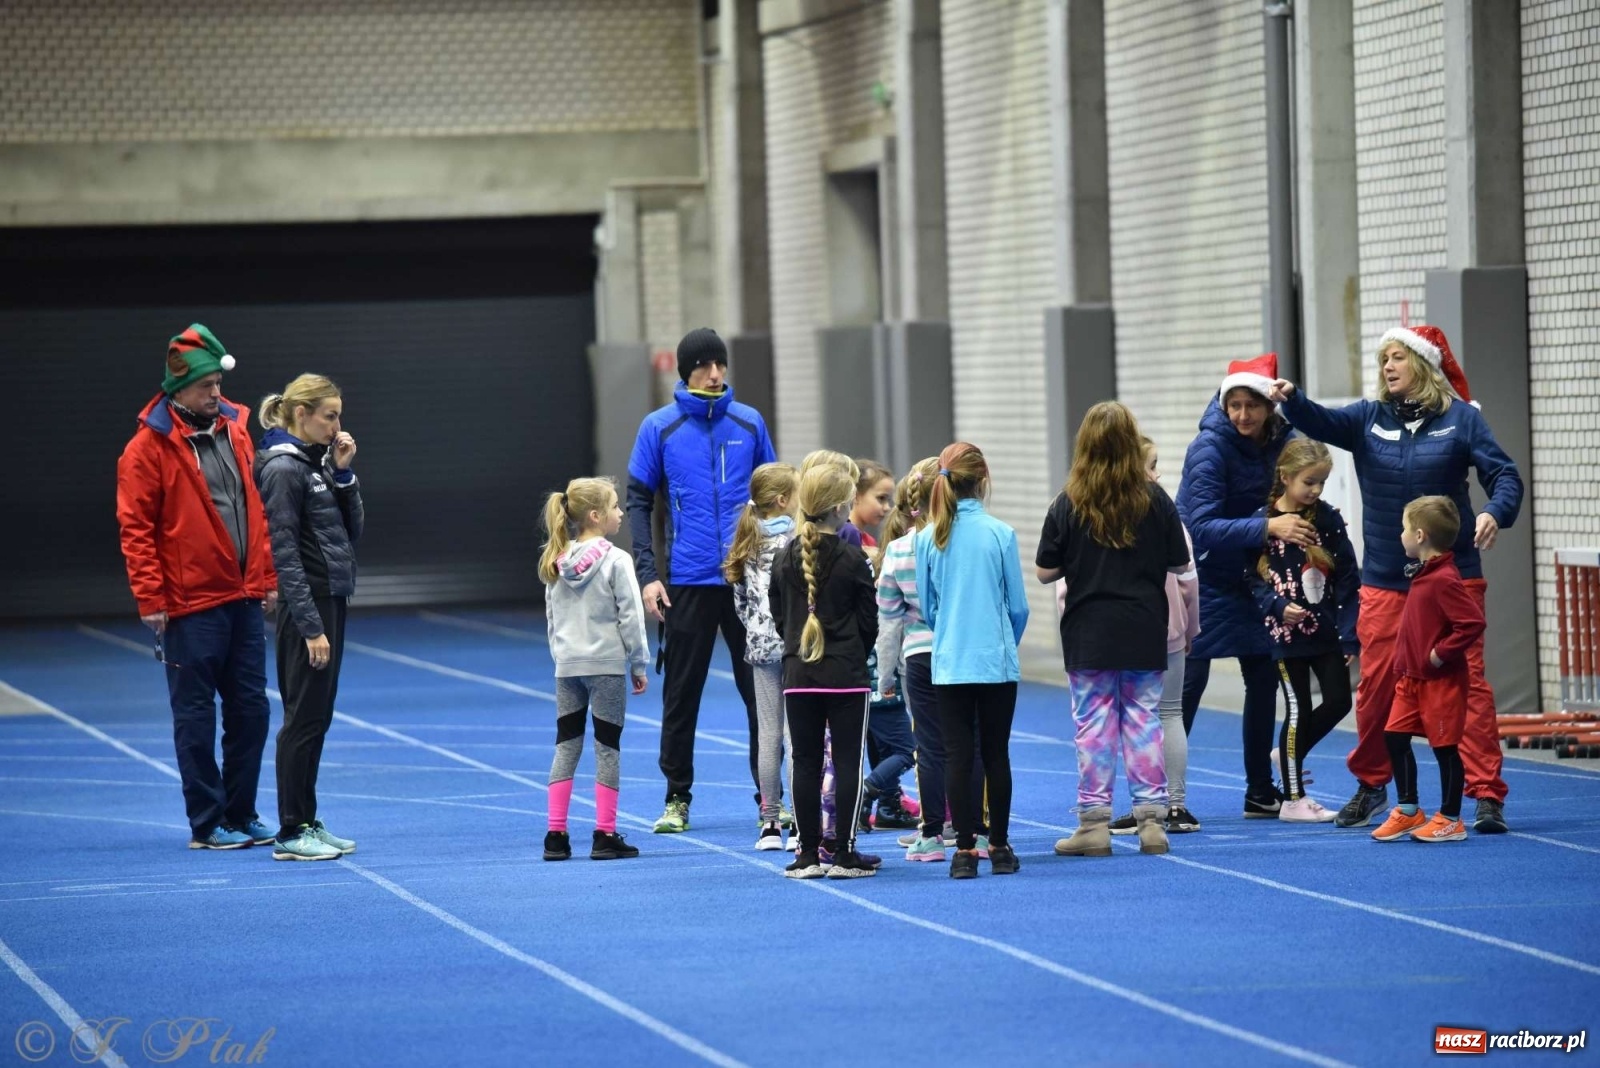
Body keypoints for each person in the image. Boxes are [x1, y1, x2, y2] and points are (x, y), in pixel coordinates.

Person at [1268, 324, 1523, 832]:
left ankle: (1486, 795)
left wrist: (1497, 511)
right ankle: (1372, 784)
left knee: (1467, 686)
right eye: (1383, 357)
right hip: (1386, 580)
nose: (1387, 366)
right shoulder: (1368, 419)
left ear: (1423, 365)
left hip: (1452, 581)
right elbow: (1320, 420)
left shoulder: (1462, 422)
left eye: (1398, 357)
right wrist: (1292, 399)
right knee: (1378, 687)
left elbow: (1505, 474)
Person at [116, 324, 277, 850]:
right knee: (195, 717)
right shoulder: (145, 450)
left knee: (252, 710)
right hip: (189, 606)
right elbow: (135, 529)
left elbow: (258, 510)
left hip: (244, 596)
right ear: (177, 389)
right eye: (207, 385)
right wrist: (151, 598)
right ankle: (208, 823)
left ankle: (242, 811)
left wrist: (268, 578)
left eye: (218, 384)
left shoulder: (237, 429)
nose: (216, 393)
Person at [627, 327, 777, 833]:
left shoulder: (749, 423)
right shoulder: (659, 428)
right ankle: (676, 798)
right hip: (687, 582)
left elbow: (776, 499)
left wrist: (774, 572)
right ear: (685, 370)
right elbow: (638, 501)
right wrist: (649, 575)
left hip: (745, 581)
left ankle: (769, 798)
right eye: (704, 366)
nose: (715, 374)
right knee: (682, 694)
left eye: (721, 364)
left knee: (761, 692)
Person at [1038, 404, 1191, 859]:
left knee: (1094, 726)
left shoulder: (1070, 501)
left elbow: (1047, 571)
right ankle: (1151, 823)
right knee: (1144, 722)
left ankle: (1094, 824)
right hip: (1143, 627)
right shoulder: (1155, 500)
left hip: (1089, 632)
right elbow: (1180, 563)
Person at [1176, 353, 1308, 818]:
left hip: (1257, 577)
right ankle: (1162, 796)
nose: (1243, 415)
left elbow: (1301, 489)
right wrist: (1268, 528)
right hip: (1204, 576)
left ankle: (1259, 788)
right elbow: (1202, 526)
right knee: (1188, 684)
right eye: (1234, 404)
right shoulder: (1209, 448)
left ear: (1269, 405)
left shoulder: (1285, 441)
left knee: (1263, 679)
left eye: (1252, 404)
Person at [255, 374, 363, 861]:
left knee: (318, 716)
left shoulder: (315, 464)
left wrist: (343, 475)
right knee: (301, 719)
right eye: (330, 415)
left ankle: (307, 819)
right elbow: (285, 553)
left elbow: (350, 531)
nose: (337, 425)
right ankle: (289, 829)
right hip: (310, 607)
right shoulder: (283, 468)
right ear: (302, 414)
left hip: (331, 597)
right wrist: (310, 625)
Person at [917, 442, 1029, 879]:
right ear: (983, 481)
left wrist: (950, 634)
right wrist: (1006, 642)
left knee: (957, 756)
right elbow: (1017, 607)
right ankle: (998, 846)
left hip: (949, 662)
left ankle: (963, 851)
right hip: (995, 663)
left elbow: (928, 607)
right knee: (996, 754)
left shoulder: (929, 537)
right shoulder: (1000, 534)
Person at [770, 464, 880, 879]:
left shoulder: (785, 555)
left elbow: (779, 614)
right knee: (849, 761)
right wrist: (853, 653)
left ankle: (808, 854)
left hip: (799, 673)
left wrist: (798, 647)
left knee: (804, 761)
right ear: (839, 508)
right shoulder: (855, 558)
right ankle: (845, 852)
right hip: (846, 673)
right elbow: (869, 620)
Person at [1245, 438, 1359, 823]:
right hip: (1286, 634)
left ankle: (1290, 751)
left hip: (1325, 631)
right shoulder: (1264, 522)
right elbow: (1252, 579)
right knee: (1297, 709)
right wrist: (1278, 607)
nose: (1315, 490)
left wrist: (1348, 632)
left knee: (1341, 701)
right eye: (1309, 482)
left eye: (1321, 483)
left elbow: (1347, 576)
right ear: (1286, 476)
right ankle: (1294, 800)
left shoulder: (1326, 518)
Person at [877, 457, 985, 862]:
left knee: (930, 746)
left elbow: (888, 622)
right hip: (961, 653)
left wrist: (884, 675)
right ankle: (970, 828)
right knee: (969, 743)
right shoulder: (959, 544)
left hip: (919, 656)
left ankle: (931, 832)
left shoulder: (901, 550)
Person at [538, 477, 648, 861]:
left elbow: (552, 618)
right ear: (597, 516)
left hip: (567, 666)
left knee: (566, 745)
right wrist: (638, 661)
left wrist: (562, 657)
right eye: (616, 507)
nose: (621, 513)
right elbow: (630, 616)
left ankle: (556, 834)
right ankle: (604, 832)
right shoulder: (617, 560)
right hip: (605, 667)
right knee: (607, 748)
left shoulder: (557, 558)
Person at [1369, 496, 1486, 844]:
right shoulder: (1423, 573)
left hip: (1439, 681)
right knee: (1393, 736)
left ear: (1419, 535)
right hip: (1410, 679)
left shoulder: (1445, 578)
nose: (1399, 533)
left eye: (1403, 528)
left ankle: (1451, 818)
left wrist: (1439, 653)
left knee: (1444, 747)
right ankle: (1408, 810)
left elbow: (1472, 622)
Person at [1109, 437, 1202, 836]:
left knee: (1137, 718)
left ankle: (1147, 805)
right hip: (1167, 628)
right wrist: (1189, 627)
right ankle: (1174, 806)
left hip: (1123, 629)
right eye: (1151, 466)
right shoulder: (1167, 518)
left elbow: (1069, 585)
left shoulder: (1104, 518)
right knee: (1168, 713)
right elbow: (1188, 579)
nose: (1157, 474)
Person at [725, 461, 801, 851]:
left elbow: (740, 603)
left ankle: (770, 822)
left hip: (759, 647)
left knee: (769, 736)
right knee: (798, 735)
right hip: (793, 646)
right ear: (784, 500)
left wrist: (758, 629)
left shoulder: (746, 543)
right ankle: (802, 827)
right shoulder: (795, 541)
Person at [851, 459, 918, 831]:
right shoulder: (856, 548)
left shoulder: (873, 546)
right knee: (905, 748)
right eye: (880, 498)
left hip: (872, 665)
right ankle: (868, 792)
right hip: (874, 664)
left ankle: (888, 802)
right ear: (854, 496)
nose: (887, 507)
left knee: (879, 742)